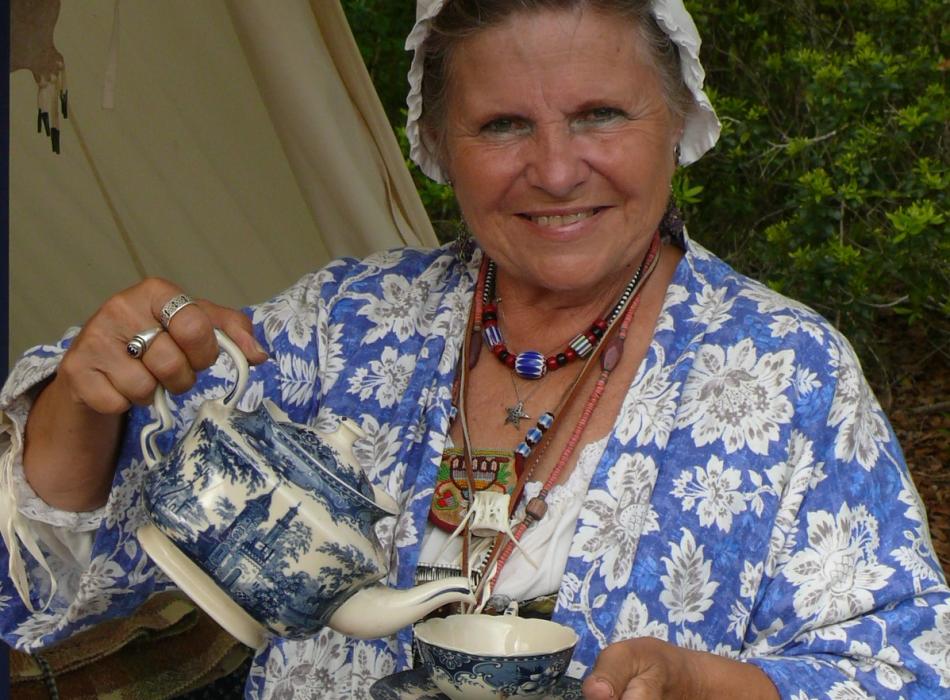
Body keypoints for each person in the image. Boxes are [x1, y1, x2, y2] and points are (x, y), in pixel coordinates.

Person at [2, 0, 948, 697]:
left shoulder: (788, 373)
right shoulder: (345, 324)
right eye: (502, 124)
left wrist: (709, 685)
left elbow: (908, 667)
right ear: (438, 144)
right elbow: (74, 570)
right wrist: (81, 406)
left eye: (601, 115)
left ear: (678, 121)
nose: (556, 168)